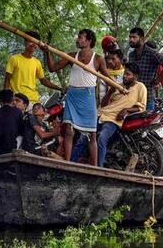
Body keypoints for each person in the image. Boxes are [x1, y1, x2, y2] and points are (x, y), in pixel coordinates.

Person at [42, 28, 112, 166]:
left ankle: (95, 167)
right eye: (78, 37)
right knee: (69, 131)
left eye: (81, 37)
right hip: (72, 95)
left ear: (89, 41)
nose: (77, 39)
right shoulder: (71, 56)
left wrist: (120, 88)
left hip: (88, 97)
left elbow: (108, 79)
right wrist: (47, 52)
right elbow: (52, 68)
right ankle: (68, 163)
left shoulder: (98, 59)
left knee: (91, 135)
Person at [73, 62, 147, 166]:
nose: (125, 76)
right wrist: (110, 91)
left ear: (135, 76)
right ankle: (71, 162)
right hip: (100, 114)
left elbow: (142, 107)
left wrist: (127, 110)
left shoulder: (141, 87)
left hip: (113, 120)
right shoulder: (118, 86)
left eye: (128, 74)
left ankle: (99, 169)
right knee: (82, 138)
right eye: (124, 74)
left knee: (101, 138)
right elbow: (103, 105)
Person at [4, 31, 63, 107]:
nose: (33, 44)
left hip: (33, 101)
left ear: (37, 46)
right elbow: (7, 80)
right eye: (30, 41)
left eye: (35, 42)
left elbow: (43, 81)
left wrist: (60, 88)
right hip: (17, 101)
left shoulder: (37, 62)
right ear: (25, 42)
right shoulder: (14, 59)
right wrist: (6, 100)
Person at [127, 27, 163, 110]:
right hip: (133, 98)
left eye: (134, 37)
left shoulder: (151, 53)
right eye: (130, 37)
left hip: (147, 97)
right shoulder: (131, 55)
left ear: (141, 39)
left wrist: (157, 80)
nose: (131, 40)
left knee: (147, 122)